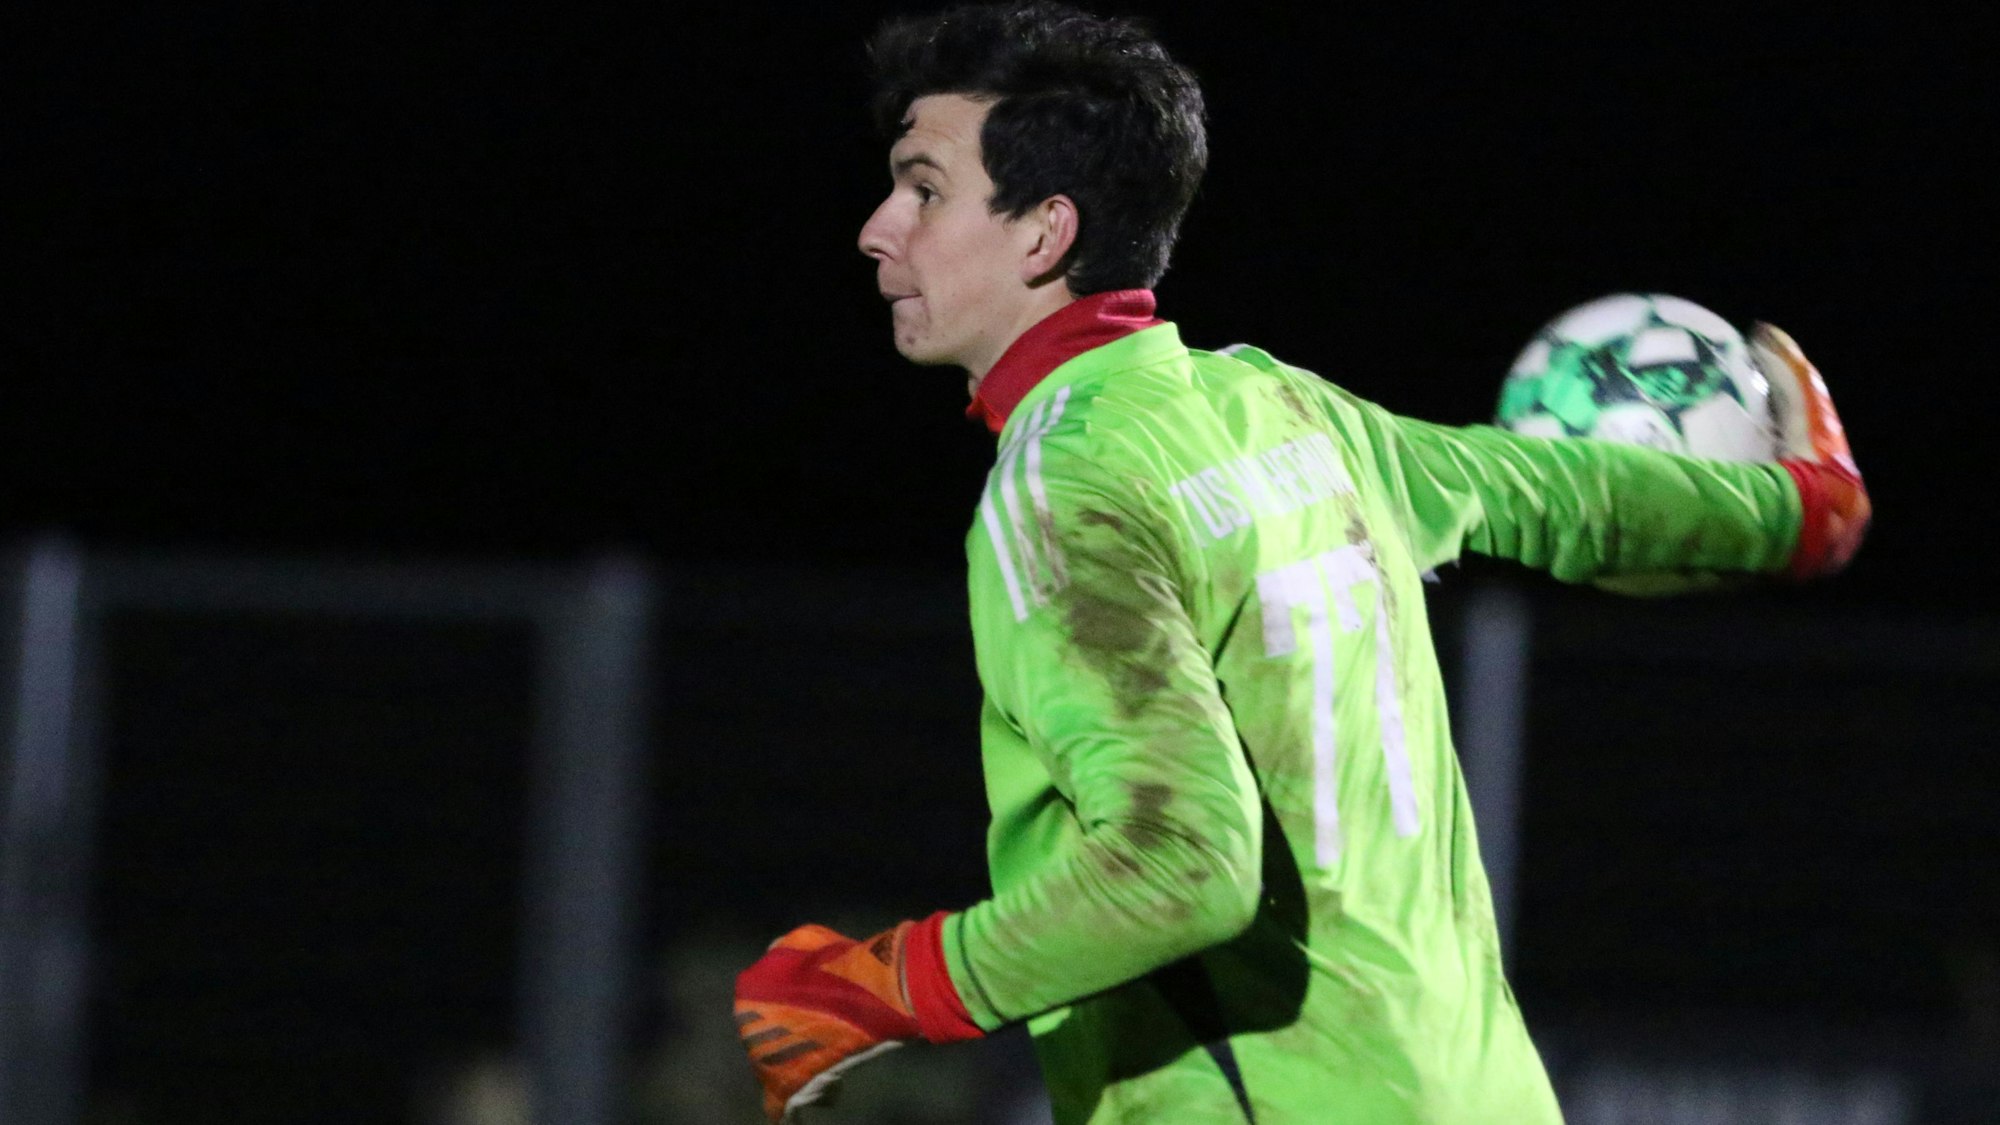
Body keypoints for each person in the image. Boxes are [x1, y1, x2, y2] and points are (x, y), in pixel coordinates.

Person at [732, 3, 1871, 1123]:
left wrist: (882, 987)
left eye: (923, 189)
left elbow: (1181, 866)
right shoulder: (1282, 411)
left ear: (1043, 231)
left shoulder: (1065, 487)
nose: (879, 227)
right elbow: (1546, 487)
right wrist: (1787, 511)